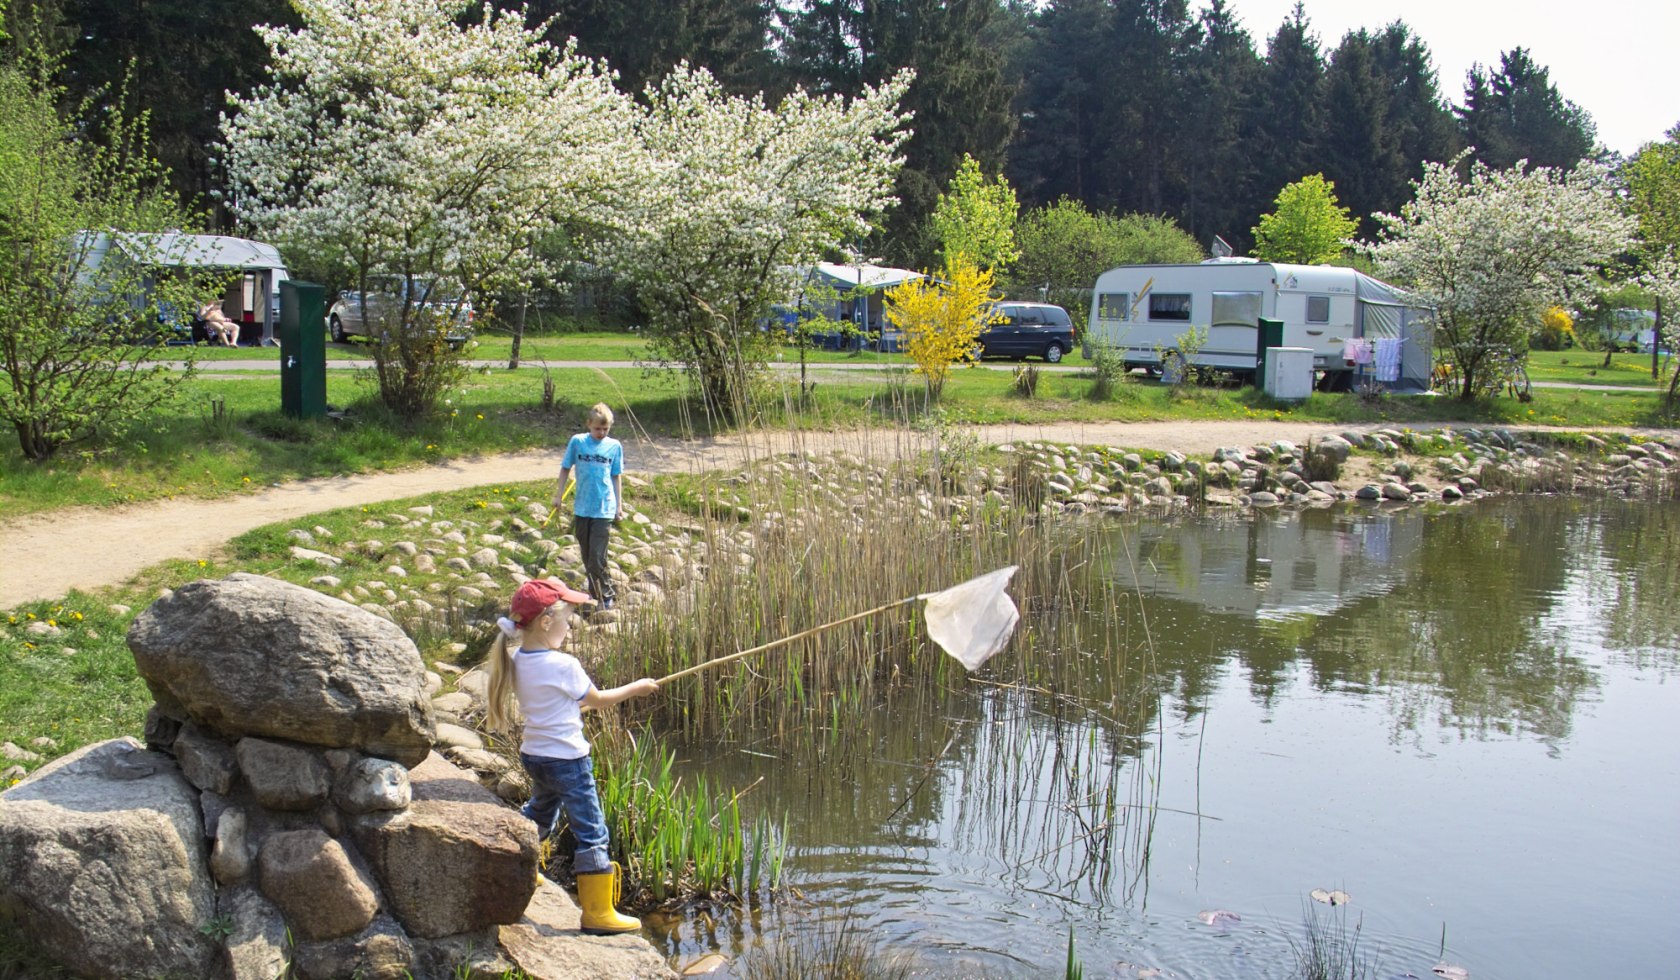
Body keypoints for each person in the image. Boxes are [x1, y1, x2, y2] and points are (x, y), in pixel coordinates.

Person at [485, 578, 659, 934]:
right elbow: (597, 700)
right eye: (567, 618)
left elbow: (558, 699)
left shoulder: (516, 658)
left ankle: (521, 871)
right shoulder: (564, 664)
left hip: (535, 756)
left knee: (539, 811)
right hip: (568, 760)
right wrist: (637, 688)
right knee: (592, 831)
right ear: (546, 622)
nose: (570, 625)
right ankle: (597, 913)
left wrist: (573, 704)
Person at [557, 403, 624, 610]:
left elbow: (616, 476)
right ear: (589, 424)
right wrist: (558, 496)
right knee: (586, 556)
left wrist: (618, 506)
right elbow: (565, 469)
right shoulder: (578, 442)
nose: (601, 433)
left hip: (604, 508)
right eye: (597, 429)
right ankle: (595, 591)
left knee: (597, 556)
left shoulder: (614, 446)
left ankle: (606, 594)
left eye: (605, 429)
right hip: (582, 508)